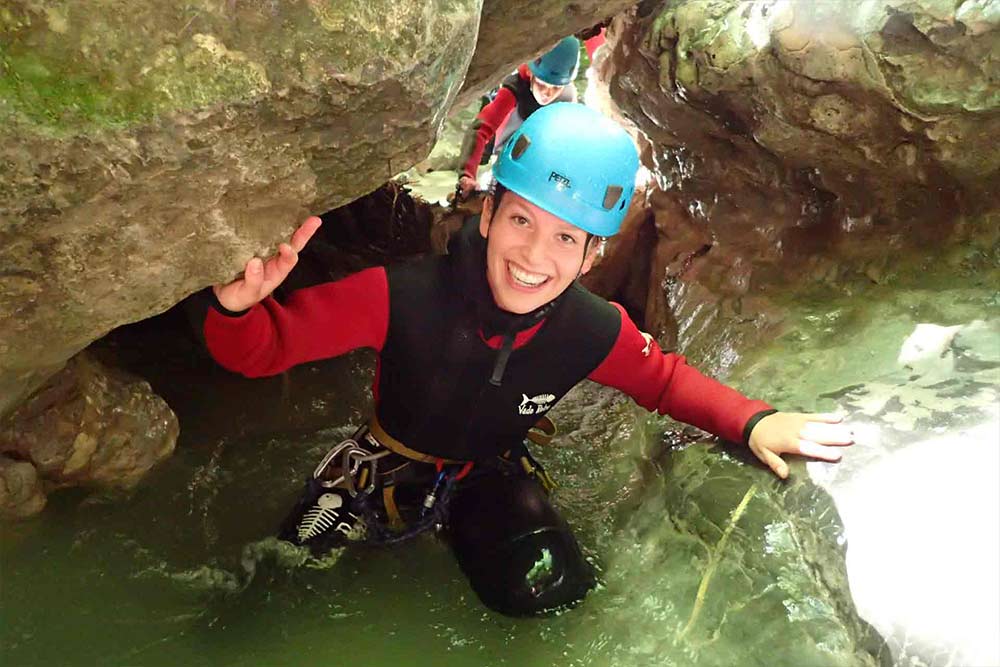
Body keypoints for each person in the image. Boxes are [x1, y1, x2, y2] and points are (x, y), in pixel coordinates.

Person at [203, 103, 854, 616]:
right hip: (382, 456)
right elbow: (267, 349)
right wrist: (237, 311)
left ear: (591, 255)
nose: (536, 255)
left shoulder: (591, 330)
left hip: (484, 472)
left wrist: (751, 420)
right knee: (272, 584)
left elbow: (663, 380)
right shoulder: (399, 295)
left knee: (548, 585)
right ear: (488, 214)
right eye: (522, 220)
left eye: (565, 236)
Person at [455, 36, 581, 199]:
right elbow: (480, 130)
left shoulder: (568, 97)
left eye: (556, 88)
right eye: (542, 84)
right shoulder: (513, 89)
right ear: (530, 73)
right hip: (505, 146)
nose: (547, 93)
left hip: (536, 153)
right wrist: (467, 175)